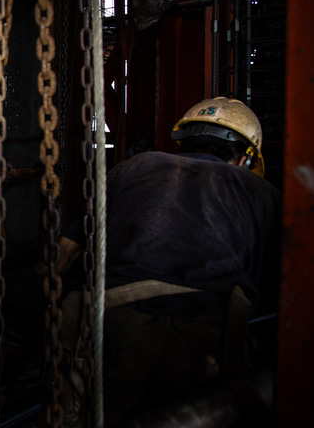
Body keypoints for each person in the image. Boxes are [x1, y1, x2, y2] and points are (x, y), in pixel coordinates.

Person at [53, 97, 281, 425]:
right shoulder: (262, 192)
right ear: (246, 157)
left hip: (119, 322)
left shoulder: (132, 169)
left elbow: (65, 251)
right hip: (209, 331)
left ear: (184, 141)